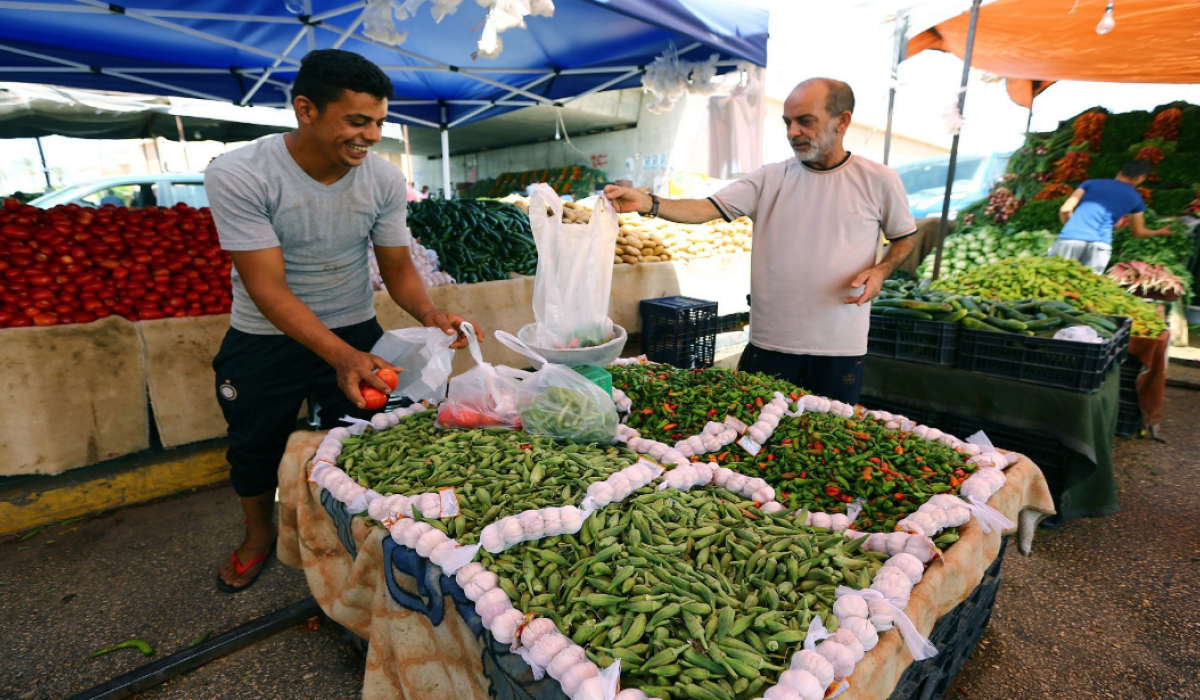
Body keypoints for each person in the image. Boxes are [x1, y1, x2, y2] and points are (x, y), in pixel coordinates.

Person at [204, 49, 481, 593]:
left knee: (365, 444)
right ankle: (258, 538)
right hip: (265, 337)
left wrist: (429, 312)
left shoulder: (380, 178)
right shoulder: (240, 173)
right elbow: (267, 288)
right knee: (254, 449)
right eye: (357, 121)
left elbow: (397, 267)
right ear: (306, 109)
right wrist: (339, 355)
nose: (372, 135)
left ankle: (356, 546)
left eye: (379, 122)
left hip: (355, 329)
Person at [605, 78, 916, 404]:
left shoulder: (879, 180)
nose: (792, 132)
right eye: (787, 122)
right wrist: (648, 203)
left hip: (840, 343)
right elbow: (704, 208)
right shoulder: (770, 178)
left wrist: (881, 271)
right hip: (772, 341)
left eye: (805, 121)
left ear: (843, 121)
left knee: (828, 436)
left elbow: (904, 239)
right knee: (764, 435)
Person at [1050, 159, 1174, 273]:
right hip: (1100, 245)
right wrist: (1159, 232)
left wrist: (1073, 226)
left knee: (1054, 280)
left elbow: (1065, 209)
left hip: (1071, 238)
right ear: (1140, 178)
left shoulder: (1090, 184)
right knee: (1085, 286)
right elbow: (1138, 232)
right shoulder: (1136, 198)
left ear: (1120, 172)